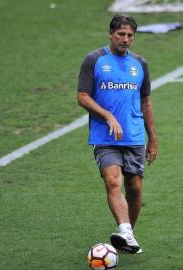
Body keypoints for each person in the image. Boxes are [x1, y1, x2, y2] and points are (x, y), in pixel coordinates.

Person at [77, 14, 158, 254]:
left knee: (134, 189)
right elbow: (82, 96)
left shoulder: (140, 64)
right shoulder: (94, 60)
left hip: (134, 136)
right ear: (111, 34)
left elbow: (146, 102)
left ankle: (128, 236)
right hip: (105, 136)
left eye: (130, 35)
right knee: (113, 181)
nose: (125, 39)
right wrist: (108, 116)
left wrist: (152, 138)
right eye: (121, 34)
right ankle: (125, 231)